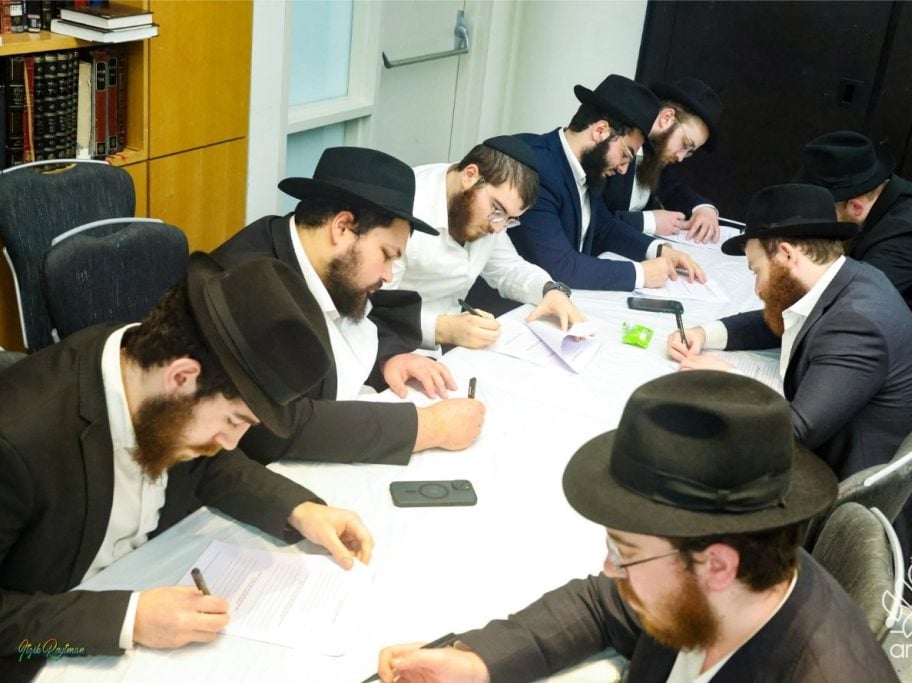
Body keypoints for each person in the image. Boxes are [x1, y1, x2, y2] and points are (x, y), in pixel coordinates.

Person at [376, 372, 898, 682]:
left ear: (717, 565)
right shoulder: (733, 580)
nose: (610, 568)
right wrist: (477, 664)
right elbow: (601, 604)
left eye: (624, 551)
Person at [0, 255, 374, 679]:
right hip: (42, 653)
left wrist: (300, 510)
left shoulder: (150, 378)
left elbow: (207, 466)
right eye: (233, 420)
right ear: (181, 377)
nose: (231, 442)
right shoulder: (16, 440)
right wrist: (128, 619)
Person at [668, 184, 912, 562]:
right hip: (844, 468)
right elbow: (785, 316)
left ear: (786, 254)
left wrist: (729, 384)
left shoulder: (856, 323)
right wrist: (707, 333)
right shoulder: (849, 280)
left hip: (856, 522)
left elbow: (793, 432)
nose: (757, 288)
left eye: (756, 270)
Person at [213, 147, 485, 466]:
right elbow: (276, 429)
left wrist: (386, 360)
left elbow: (350, 326)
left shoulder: (323, 260)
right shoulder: (249, 285)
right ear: (342, 227)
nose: (388, 275)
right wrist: (429, 427)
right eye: (386, 255)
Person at [509, 74, 707, 292]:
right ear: (600, 131)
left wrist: (660, 250)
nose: (623, 169)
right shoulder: (537, 167)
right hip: (514, 304)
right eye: (625, 154)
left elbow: (605, 227)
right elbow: (561, 266)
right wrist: (640, 274)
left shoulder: (588, 165)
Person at [387, 135, 586, 350]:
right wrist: (441, 328)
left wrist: (550, 290)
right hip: (391, 345)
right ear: (470, 175)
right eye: (497, 210)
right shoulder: (405, 207)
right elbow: (374, 305)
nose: (497, 228)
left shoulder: (490, 210)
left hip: (448, 345)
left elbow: (508, 269)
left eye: (509, 219)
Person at [794, 130, 912, 333]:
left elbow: (838, 312)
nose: (813, 214)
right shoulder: (891, 193)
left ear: (856, 207)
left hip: (896, 340)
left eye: (820, 208)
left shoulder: (902, 241)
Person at [604, 77, 723, 244]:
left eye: (689, 152)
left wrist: (704, 209)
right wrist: (649, 221)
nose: (680, 157)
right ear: (666, 118)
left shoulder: (654, 156)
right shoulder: (611, 147)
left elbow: (672, 188)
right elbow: (594, 220)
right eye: (685, 144)